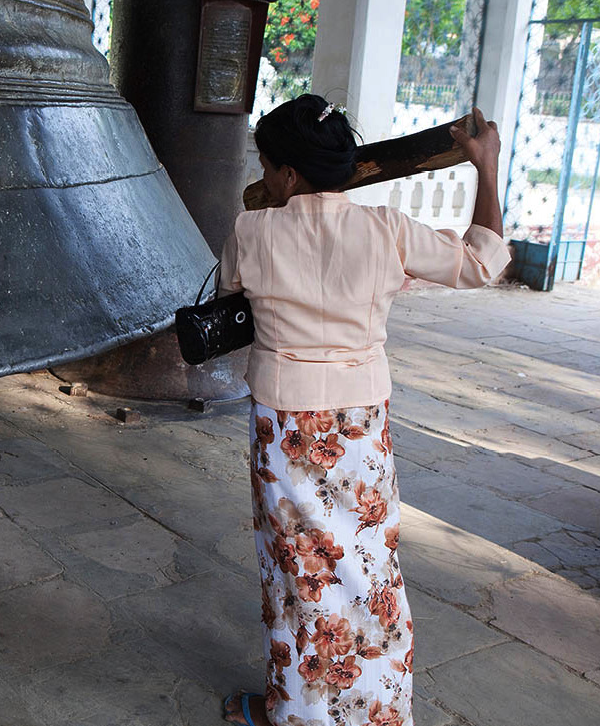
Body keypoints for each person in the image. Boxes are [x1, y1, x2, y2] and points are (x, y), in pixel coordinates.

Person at [217, 94, 509, 726]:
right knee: (368, 565)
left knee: (297, 570)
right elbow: (483, 261)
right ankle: (375, 711)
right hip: (358, 429)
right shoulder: (386, 229)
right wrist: (484, 166)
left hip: (285, 426)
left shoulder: (251, 231)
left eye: (269, 167)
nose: (263, 178)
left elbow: (228, 292)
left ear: (288, 175)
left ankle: (293, 709)